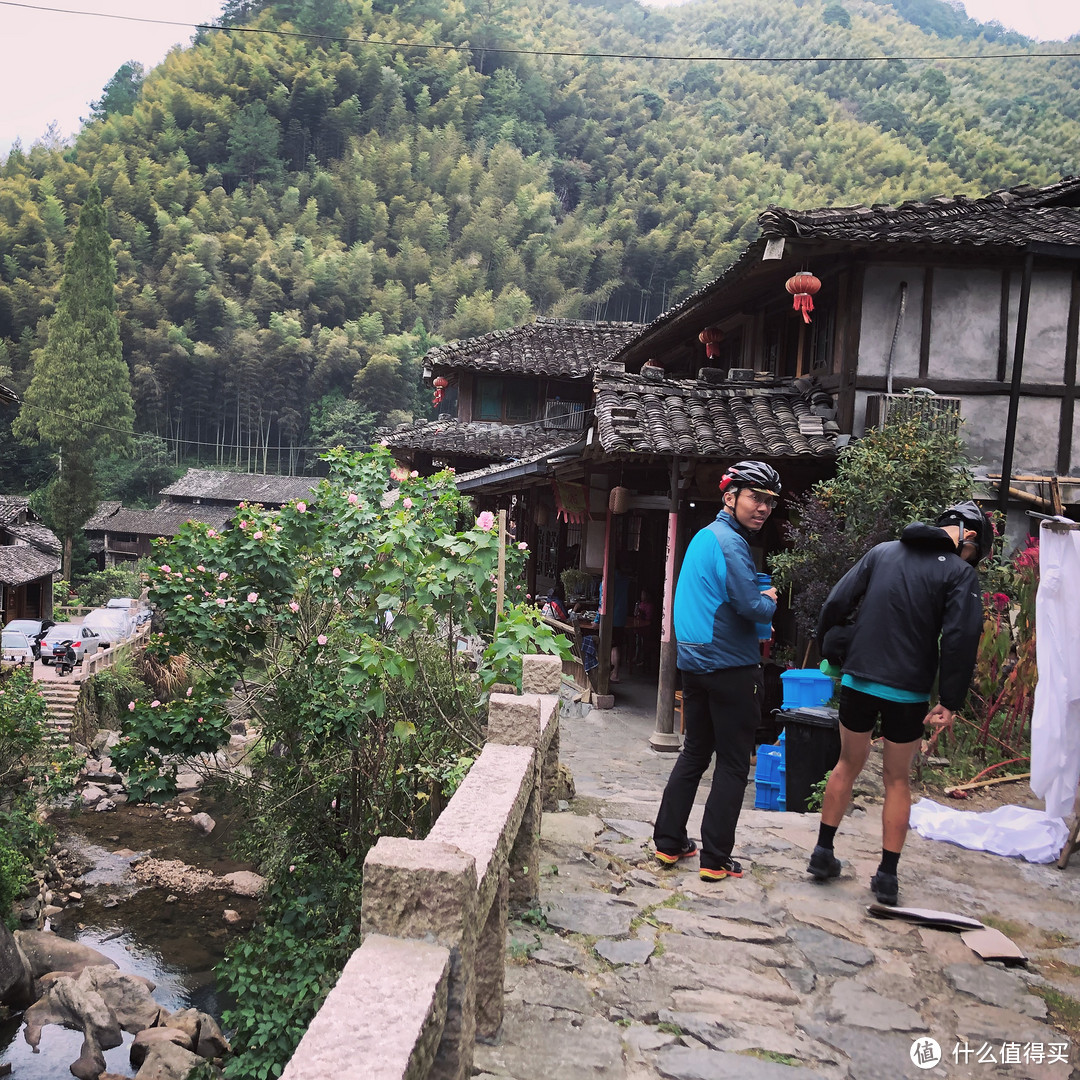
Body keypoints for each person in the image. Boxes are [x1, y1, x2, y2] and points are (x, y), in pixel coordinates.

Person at [807, 500, 991, 905]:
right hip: (907, 691)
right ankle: (887, 877)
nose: (971, 559)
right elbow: (962, 638)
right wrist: (951, 700)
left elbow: (836, 602)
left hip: (859, 678)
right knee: (896, 780)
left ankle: (822, 853)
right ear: (969, 536)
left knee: (846, 765)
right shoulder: (959, 573)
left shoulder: (883, 552)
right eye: (974, 552)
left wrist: (832, 650)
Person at [653, 461, 780, 882]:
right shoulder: (731, 543)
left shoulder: (704, 537)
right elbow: (750, 606)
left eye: (769, 502)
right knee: (731, 763)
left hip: (694, 663)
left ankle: (670, 843)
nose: (763, 508)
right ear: (730, 497)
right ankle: (716, 858)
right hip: (731, 666)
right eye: (755, 498)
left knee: (694, 752)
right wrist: (771, 600)